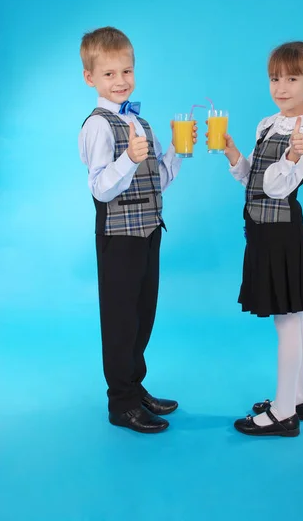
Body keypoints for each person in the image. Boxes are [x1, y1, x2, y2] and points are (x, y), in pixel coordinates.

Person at [78, 26, 196, 433]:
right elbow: (100, 187)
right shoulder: (97, 126)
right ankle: (120, 403)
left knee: (143, 314)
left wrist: (178, 152)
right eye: (109, 74)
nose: (121, 81)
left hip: (149, 231)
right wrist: (128, 157)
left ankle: (134, 385)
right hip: (118, 236)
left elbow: (157, 179)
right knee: (120, 320)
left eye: (126, 71)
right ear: (90, 78)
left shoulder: (141, 122)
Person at [224, 41, 303, 437]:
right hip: (262, 232)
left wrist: (295, 156)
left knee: (287, 322)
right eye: (274, 78)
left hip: (282, 234)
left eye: (292, 78)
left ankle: (283, 412)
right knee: (294, 318)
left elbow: (277, 186)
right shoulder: (267, 123)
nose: (281, 87)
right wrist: (234, 154)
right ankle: (301, 397)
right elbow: (253, 178)